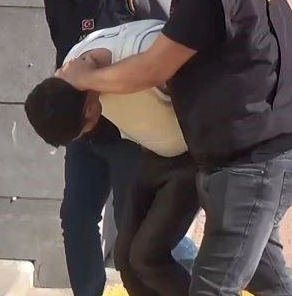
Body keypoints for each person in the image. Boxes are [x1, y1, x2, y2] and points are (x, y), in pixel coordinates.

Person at [56, 0, 292, 296]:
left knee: (212, 287)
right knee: (264, 277)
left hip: (254, 161)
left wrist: (83, 78)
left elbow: (154, 67)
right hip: (252, 151)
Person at [40, 0, 174, 296]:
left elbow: (177, 48)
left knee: (135, 235)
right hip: (84, 133)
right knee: (75, 218)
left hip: (134, 136)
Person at [25, 19, 199, 296]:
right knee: (128, 262)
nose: (86, 135)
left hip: (196, 157)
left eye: (82, 130)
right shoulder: (71, 73)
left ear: (90, 110)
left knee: (149, 257)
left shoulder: (142, 51)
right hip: (156, 156)